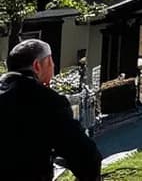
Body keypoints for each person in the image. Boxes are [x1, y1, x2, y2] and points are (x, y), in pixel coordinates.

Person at [0, 39, 102, 181]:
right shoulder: (46, 100)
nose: (54, 67)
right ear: (37, 65)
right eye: (51, 62)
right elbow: (85, 155)